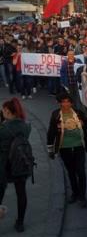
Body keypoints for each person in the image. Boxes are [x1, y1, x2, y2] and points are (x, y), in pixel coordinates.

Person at [47, 93, 87, 208]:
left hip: (78, 146)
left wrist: (83, 123)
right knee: (71, 172)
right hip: (64, 148)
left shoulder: (78, 113)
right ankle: (75, 193)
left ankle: (82, 196)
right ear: (59, 103)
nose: (66, 104)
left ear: (71, 103)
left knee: (81, 172)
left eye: (68, 101)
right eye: (63, 102)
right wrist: (50, 149)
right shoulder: (56, 115)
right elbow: (51, 132)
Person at [0, 98, 31, 232]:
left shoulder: (3, 129)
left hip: (3, 166)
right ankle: (20, 222)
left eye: (3, 111)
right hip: (20, 163)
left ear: (7, 111)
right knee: (21, 193)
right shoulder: (26, 126)